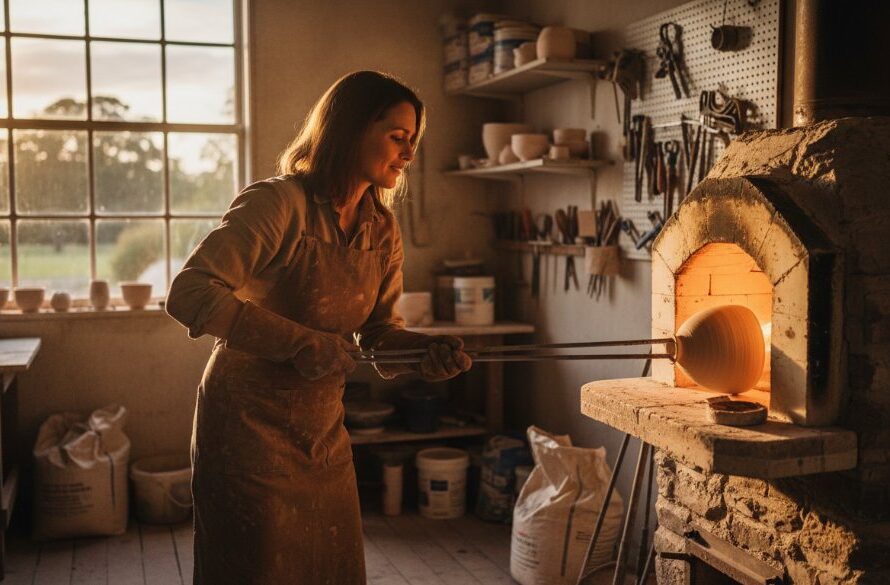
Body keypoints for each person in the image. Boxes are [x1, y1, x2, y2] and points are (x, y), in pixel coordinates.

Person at [165, 70, 472, 585]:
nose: (408, 153)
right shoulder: (278, 203)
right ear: (350, 129)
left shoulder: (382, 229)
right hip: (246, 428)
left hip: (322, 431)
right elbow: (190, 293)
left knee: (331, 566)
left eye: (413, 142)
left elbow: (378, 334)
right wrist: (300, 343)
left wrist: (422, 354)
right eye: (398, 137)